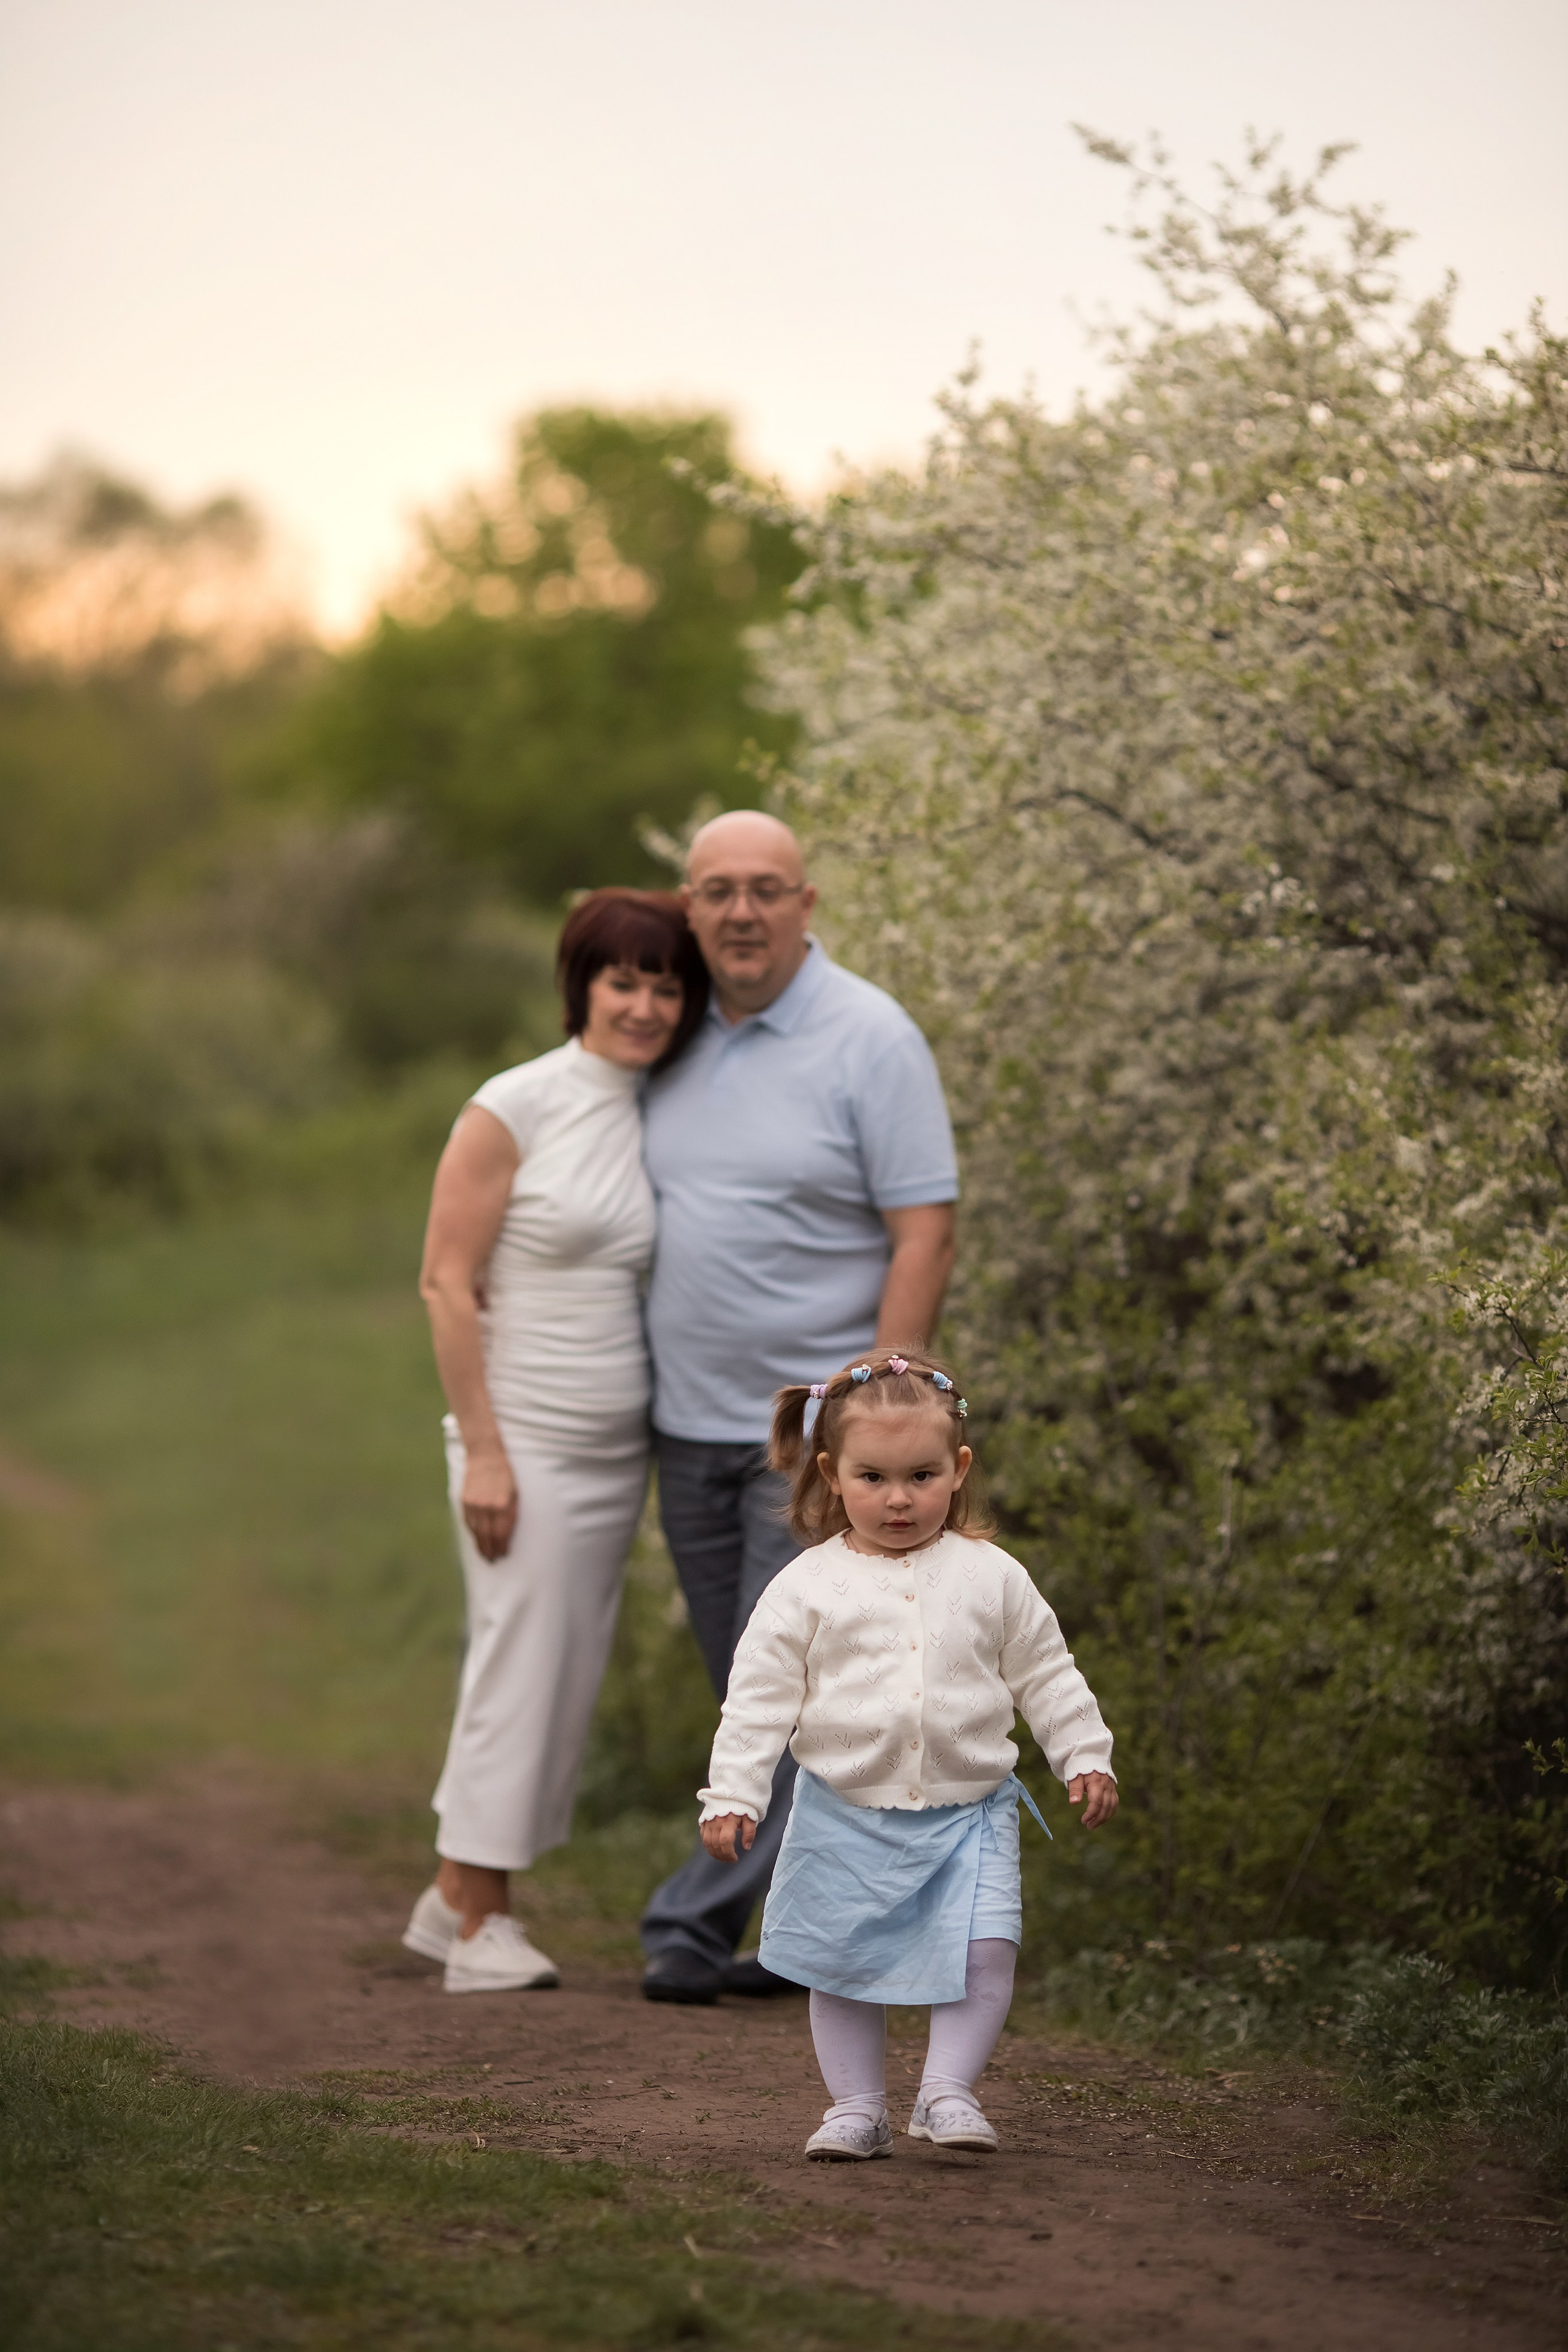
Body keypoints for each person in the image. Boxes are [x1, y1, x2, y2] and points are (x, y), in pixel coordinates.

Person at [638, 810, 960, 2003]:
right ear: (689, 906)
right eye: (715, 890)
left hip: (807, 1441)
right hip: (684, 1422)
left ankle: (695, 1923)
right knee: (753, 1685)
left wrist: (884, 1400)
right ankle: (829, 1927)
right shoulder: (666, 1034)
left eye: (766, 889)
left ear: (806, 903)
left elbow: (922, 1220)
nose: (740, 911)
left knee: (787, 1685)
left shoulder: (868, 1036)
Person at [698, 1348, 1117, 2160]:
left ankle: (947, 2092)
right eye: (874, 1478)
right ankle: (857, 2107)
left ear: (959, 1469)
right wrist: (733, 1795)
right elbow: (757, 1701)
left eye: (922, 1476)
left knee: (986, 1949)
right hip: (843, 1814)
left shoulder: (992, 1576)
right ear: (832, 1473)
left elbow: (1046, 1673)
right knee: (842, 1961)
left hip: (971, 1812)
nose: (899, 1499)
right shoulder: (806, 1588)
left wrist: (1084, 1756)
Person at [401, 889, 708, 1994]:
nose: (644, 1005)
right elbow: (445, 1282)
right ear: (581, 984)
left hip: (614, 1447)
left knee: (560, 1674)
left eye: (667, 985)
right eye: (623, 980)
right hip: (518, 1440)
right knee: (517, 1668)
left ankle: (449, 1897)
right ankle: (485, 1924)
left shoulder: (660, 1107)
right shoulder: (513, 1104)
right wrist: (483, 1448)